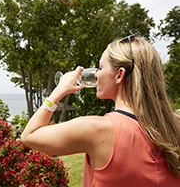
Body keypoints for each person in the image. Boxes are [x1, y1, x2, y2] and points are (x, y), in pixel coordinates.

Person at [21, 35, 180, 186]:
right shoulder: (175, 128)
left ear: (119, 75)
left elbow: (29, 135)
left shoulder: (97, 130)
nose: (96, 74)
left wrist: (59, 90)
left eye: (100, 67)